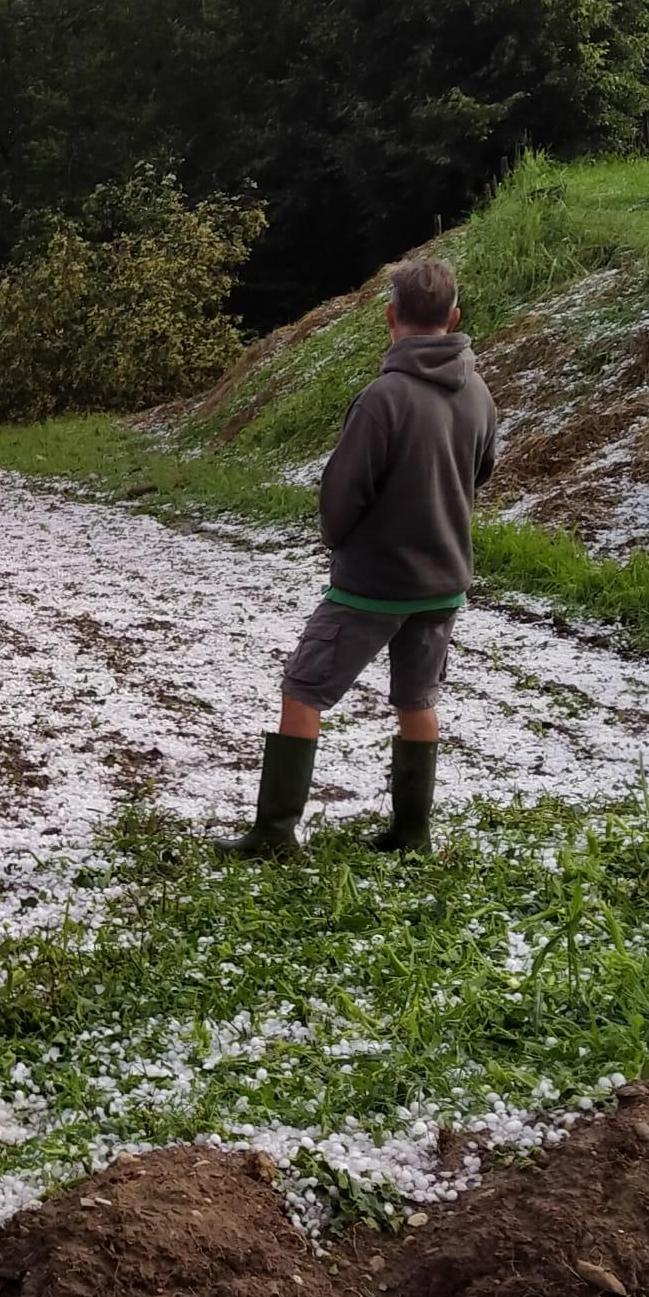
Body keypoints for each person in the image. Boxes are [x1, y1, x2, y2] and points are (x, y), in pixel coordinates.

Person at [223, 257, 498, 859]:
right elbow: (482, 471)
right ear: (454, 317)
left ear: (388, 317)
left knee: (302, 689)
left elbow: (343, 494)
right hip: (445, 582)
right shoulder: (479, 393)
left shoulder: (383, 398)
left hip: (372, 583)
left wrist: (339, 541)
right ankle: (411, 834)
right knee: (417, 700)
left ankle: (273, 834)